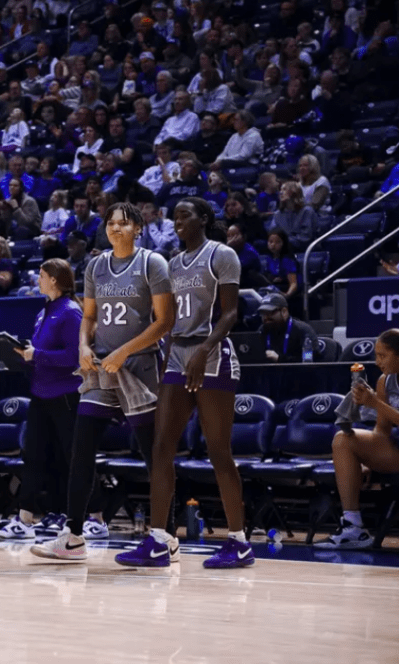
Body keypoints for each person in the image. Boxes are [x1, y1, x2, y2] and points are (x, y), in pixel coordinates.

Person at [115, 197, 254, 569]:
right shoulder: (173, 263)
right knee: (161, 447)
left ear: (203, 218)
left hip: (213, 354)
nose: (177, 220)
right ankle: (159, 539)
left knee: (218, 452)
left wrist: (204, 349)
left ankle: (239, 541)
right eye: (174, 215)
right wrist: (166, 361)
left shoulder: (222, 255)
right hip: (177, 354)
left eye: (185, 214)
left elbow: (230, 313)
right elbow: (169, 319)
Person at [32, 204, 175, 560]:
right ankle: (73, 536)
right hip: (102, 368)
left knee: (152, 453)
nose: (115, 228)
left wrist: (124, 352)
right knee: (81, 449)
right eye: (111, 223)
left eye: (123, 223)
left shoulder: (153, 263)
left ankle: (166, 536)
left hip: (139, 366)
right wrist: (84, 345)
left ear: (138, 228)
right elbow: (90, 317)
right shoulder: (96, 266)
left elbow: (164, 321)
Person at [318, 329, 399, 550]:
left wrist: (376, 403)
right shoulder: (385, 381)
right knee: (343, 439)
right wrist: (368, 459)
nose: (377, 361)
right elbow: (382, 431)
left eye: (382, 355)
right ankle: (353, 528)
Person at [0, 259, 83, 539]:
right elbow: (42, 351)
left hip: (65, 395)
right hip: (40, 392)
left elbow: (74, 357)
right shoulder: (45, 311)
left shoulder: (71, 312)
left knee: (69, 458)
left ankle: (86, 517)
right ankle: (24, 520)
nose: (37, 280)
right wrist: (23, 355)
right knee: (33, 456)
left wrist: (38, 355)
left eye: (42, 276)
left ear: (54, 279)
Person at [257, 293, 318, 363]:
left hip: (296, 370)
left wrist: (280, 359)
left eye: (269, 313)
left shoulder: (303, 330)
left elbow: (311, 360)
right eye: (263, 313)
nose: (265, 317)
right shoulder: (261, 331)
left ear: (284, 312)